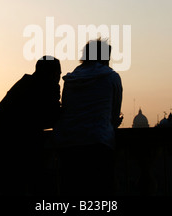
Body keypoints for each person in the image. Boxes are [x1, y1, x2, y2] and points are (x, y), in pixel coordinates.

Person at [0, 56, 61, 195]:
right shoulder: (39, 88)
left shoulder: (25, 85)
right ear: (51, 74)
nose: (59, 79)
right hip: (9, 151)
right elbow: (50, 118)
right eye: (58, 74)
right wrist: (56, 98)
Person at [53, 39, 123, 196]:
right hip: (98, 144)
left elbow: (67, 109)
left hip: (68, 145)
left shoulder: (70, 80)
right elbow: (113, 114)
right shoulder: (112, 77)